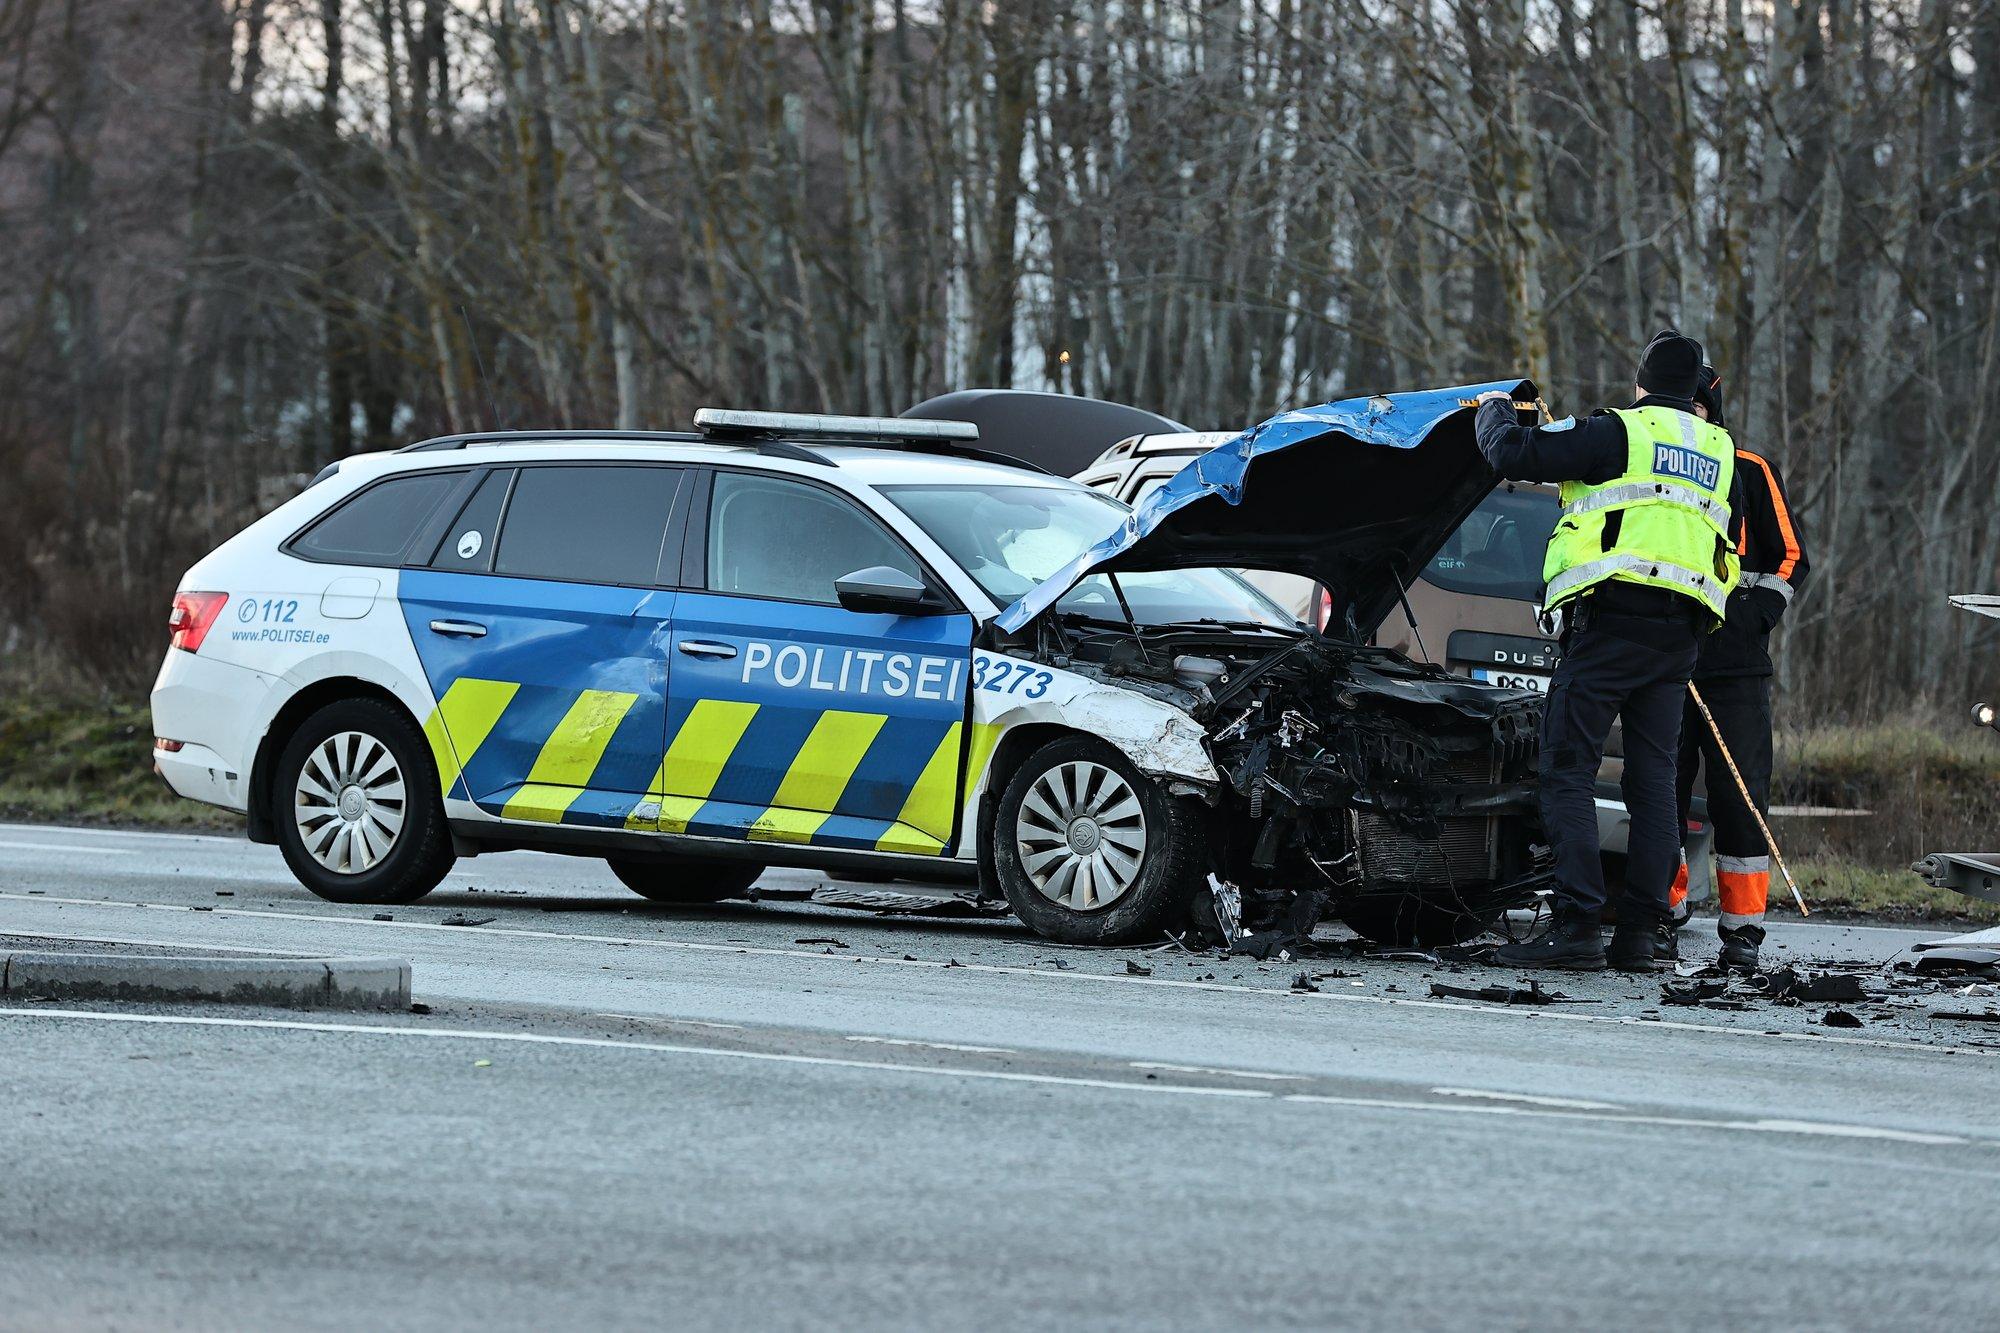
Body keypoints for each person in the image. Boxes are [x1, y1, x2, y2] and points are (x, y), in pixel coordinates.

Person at [1472, 331, 1742, 972]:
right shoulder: (1718, 447)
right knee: (1654, 785)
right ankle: (1640, 936)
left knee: (1566, 769)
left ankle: (1576, 927)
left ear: (1641, 383)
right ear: (1698, 388)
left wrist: (1492, 408)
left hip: (1611, 624)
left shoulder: (1622, 432)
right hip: (1679, 637)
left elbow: (1511, 453)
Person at [1660, 364, 1809, 971]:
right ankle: (1660, 915)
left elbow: (1792, 557)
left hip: (1737, 668)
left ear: (1709, 409)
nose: (1686, 417)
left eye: (1694, 407)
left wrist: (1755, 615)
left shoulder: (1748, 468)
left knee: (1741, 798)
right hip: (1666, 659)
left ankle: (1742, 932)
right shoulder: (1652, 466)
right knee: (1660, 790)